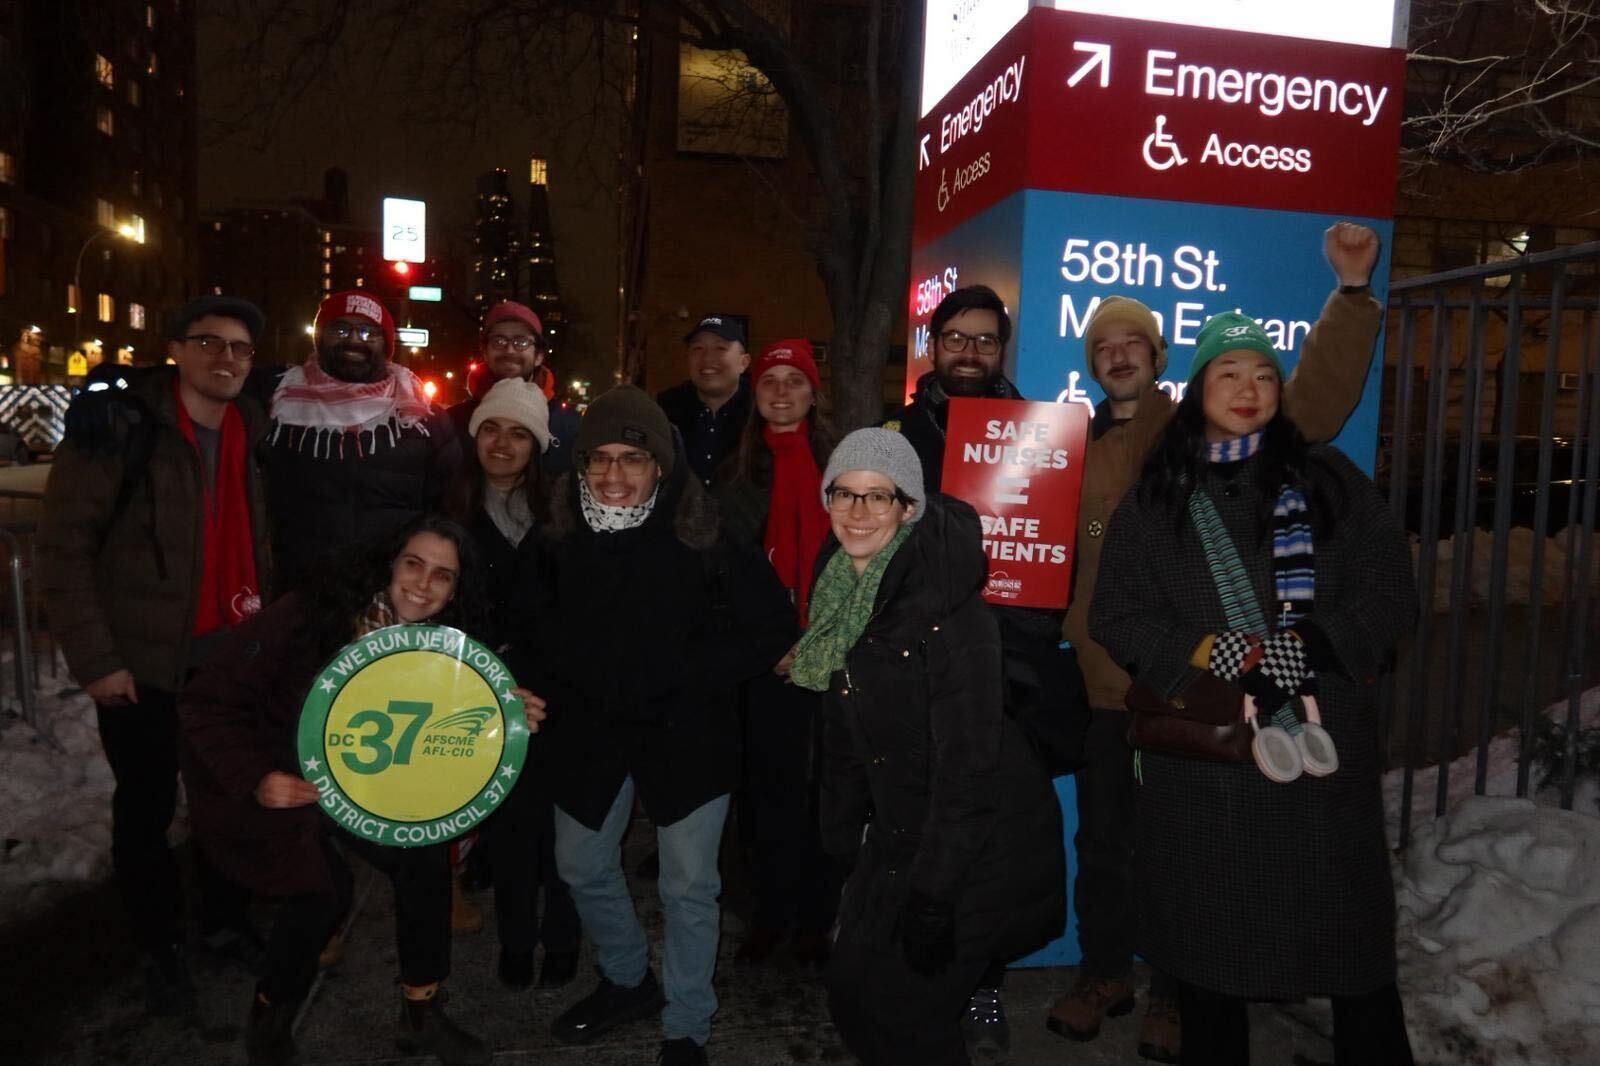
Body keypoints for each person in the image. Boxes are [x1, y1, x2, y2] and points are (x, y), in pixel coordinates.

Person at [1049, 222, 1383, 1062]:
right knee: (1110, 846)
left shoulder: (1201, 439)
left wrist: (1347, 296)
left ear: (1162, 359)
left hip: (1244, 698)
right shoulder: (1067, 445)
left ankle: (1176, 991)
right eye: (1105, 345)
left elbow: (1316, 393)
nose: (1120, 355)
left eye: (1135, 342)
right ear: (1091, 362)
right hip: (1111, 684)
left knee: (1202, 868)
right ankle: (1107, 974)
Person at [179, 515, 541, 1066]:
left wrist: (507, 712)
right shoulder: (308, 616)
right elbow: (208, 700)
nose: (423, 584)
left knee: (422, 856)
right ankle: (269, 1017)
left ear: (457, 589)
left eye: (443, 576)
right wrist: (256, 779)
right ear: (388, 563)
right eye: (413, 564)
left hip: (365, 785)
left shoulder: (444, 646)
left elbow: (455, 721)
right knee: (321, 890)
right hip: (285, 778)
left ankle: (421, 1014)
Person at [533, 385, 793, 1066]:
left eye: (633, 460)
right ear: (580, 464)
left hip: (688, 731)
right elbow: (529, 626)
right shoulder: (558, 534)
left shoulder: (705, 531)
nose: (615, 477)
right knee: (579, 863)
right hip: (592, 730)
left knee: (688, 885)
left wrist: (682, 671)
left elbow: (768, 627)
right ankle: (627, 979)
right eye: (601, 460)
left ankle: (687, 1025)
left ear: (662, 466)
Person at [792, 428, 1064, 1066]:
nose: (858, 514)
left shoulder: (952, 615)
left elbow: (967, 776)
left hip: (980, 845)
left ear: (908, 508)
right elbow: (844, 731)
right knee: (851, 995)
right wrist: (835, 846)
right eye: (844, 495)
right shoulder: (838, 593)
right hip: (900, 833)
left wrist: (935, 897)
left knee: (910, 1018)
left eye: (877, 498)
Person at [38, 295, 272, 1015]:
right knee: (145, 810)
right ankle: (159, 945)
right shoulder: (121, 428)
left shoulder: (252, 429)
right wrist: (97, 659)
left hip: (227, 660)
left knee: (227, 799)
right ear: (175, 348)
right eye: (209, 342)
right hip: (143, 665)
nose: (225, 358)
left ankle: (226, 923)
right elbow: (64, 547)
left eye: (238, 347)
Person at [886, 284, 1088, 1055]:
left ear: (1002, 351)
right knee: (918, 830)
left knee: (997, 841)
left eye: (984, 340)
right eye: (955, 338)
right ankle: (919, 975)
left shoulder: (1043, 436)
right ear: (932, 347)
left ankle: (983, 986)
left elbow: (1057, 549)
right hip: (918, 667)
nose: (969, 352)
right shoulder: (895, 436)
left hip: (1011, 666)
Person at [442, 377, 581, 989]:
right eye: (491, 428)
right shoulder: (450, 513)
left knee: (565, 824)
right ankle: (518, 938)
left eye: (518, 433)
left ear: (537, 445)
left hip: (558, 692)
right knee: (512, 825)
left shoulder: (563, 512)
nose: (502, 443)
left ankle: (563, 937)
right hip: (485, 689)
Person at [713, 338, 839, 965]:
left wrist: (826, 638)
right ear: (753, 391)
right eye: (771, 381)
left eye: (796, 380)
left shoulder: (840, 463)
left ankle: (818, 918)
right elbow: (730, 571)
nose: (783, 392)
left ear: (815, 392)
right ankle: (767, 913)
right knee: (765, 793)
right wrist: (776, 645)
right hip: (765, 661)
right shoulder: (736, 473)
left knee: (825, 790)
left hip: (833, 654)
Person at [262, 289, 460, 588]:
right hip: (297, 594)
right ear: (319, 335)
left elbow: (445, 516)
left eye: (369, 332)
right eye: (340, 328)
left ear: (387, 343)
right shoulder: (276, 402)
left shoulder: (422, 418)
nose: (354, 340)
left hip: (389, 598)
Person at [448, 300, 579, 477]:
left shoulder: (569, 426)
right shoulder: (452, 423)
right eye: (499, 341)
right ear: (485, 352)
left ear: (539, 356)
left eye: (521, 342)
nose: (509, 350)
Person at [657, 314, 751, 485]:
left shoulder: (761, 413)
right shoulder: (665, 411)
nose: (707, 358)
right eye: (698, 348)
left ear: (743, 362)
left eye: (720, 348)